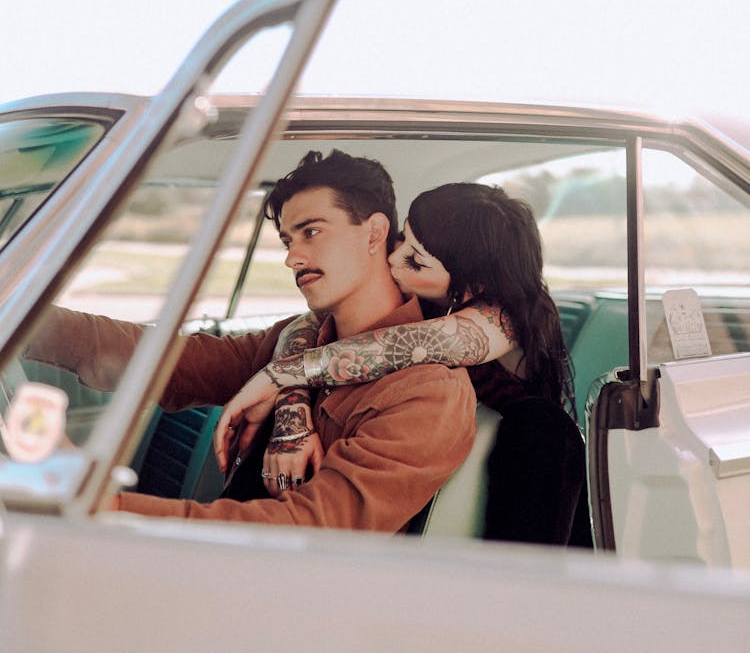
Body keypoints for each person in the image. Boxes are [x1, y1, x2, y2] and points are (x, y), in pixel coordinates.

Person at [26, 150, 476, 532]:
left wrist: (113, 506)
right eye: (286, 239)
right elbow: (177, 362)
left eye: (311, 232)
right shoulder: (296, 339)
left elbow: (310, 530)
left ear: (375, 232)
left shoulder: (428, 390)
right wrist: (31, 324)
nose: (291, 257)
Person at [214, 182, 586, 547]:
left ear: (472, 287)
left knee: (544, 434)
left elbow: (408, 346)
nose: (393, 258)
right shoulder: (426, 286)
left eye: (415, 259)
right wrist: (290, 406)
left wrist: (278, 375)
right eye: (401, 237)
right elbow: (305, 324)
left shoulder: (503, 317)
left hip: (527, 456)